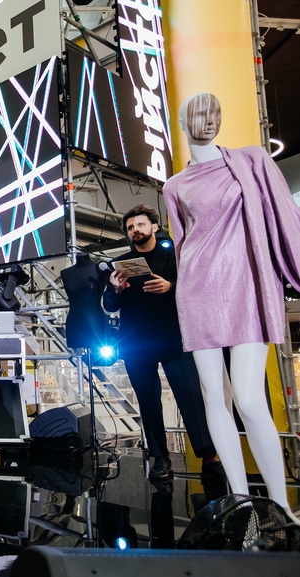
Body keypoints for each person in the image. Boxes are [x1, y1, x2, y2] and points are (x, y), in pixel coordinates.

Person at [163, 92, 300, 519]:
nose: (208, 120)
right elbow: (182, 245)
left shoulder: (252, 160)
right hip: (198, 290)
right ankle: (240, 499)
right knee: (214, 397)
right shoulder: (174, 186)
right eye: (198, 114)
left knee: (249, 397)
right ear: (183, 123)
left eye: (214, 113)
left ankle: (280, 504)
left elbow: (284, 216)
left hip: (248, 285)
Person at [103, 204, 220, 482]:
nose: (135, 230)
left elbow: (197, 292)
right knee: (148, 402)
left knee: (191, 398)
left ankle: (209, 457)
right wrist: (116, 290)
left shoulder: (177, 256)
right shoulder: (120, 264)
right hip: (136, 343)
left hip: (174, 338)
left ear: (154, 226)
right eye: (131, 227)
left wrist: (171, 287)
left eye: (140, 224)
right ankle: (160, 457)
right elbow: (109, 305)